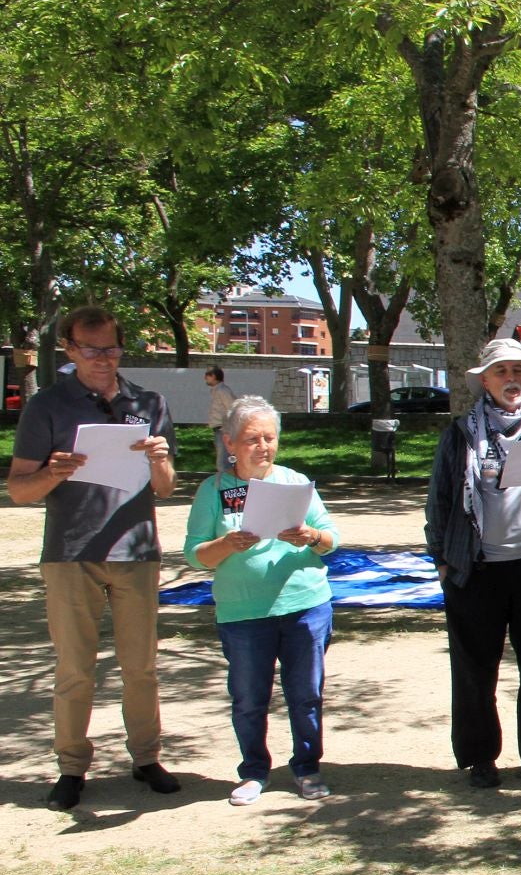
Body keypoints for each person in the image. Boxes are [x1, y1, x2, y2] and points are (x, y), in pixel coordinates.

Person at [7, 305, 179, 810]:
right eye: (91, 349)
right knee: (75, 667)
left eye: (111, 348)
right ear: (69, 349)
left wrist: (161, 460)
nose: (103, 359)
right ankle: (71, 767)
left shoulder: (147, 402)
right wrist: (54, 472)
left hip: (136, 551)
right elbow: (19, 490)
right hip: (70, 554)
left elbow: (166, 490)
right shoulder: (47, 407)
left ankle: (146, 758)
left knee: (141, 667)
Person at [424, 338, 521, 788]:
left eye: (519, 370)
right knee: (475, 669)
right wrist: (441, 560)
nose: (512, 379)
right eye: (502, 372)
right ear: (485, 380)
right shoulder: (460, 433)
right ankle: (480, 758)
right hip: (475, 570)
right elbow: (438, 501)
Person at [184, 396, 340, 804]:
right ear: (230, 442)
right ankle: (254, 771)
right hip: (243, 612)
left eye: (270, 438)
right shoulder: (214, 490)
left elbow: (331, 540)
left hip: (305, 605)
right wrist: (227, 543)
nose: (263, 447)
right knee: (249, 698)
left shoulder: (294, 482)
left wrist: (310, 536)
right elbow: (194, 554)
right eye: (252, 439)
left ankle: (307, 768)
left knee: (306, 694)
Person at [205, 364, 236, 472]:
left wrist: (227, 428)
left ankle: (225, 486)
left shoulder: (222, 390)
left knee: (223, 464)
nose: (205, 377)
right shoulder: (216, 390)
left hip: (223, 430)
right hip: (219, 430)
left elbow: (234, 409)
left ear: (214, 376)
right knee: (223, 462)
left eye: (207, 374)